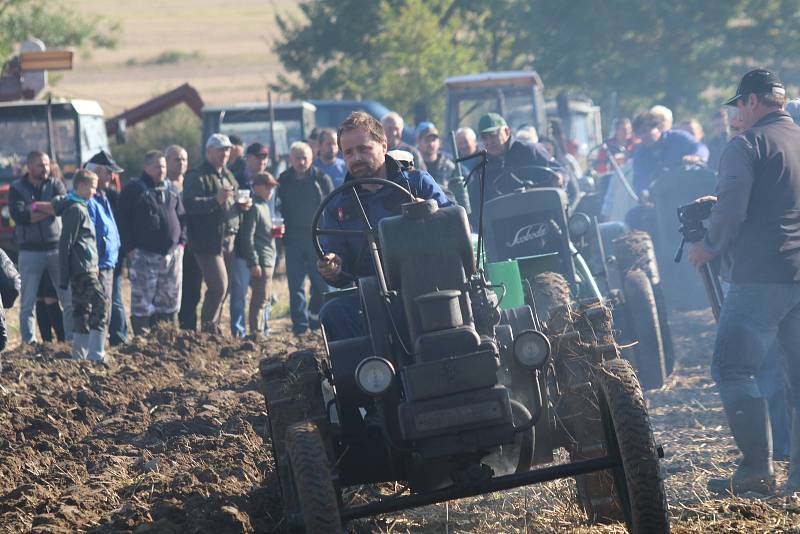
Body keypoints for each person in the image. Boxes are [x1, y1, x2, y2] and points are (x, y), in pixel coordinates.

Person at [686, 69, 800, 496]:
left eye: (739, 105)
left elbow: (732, 208)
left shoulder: (747, 143)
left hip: (760, 276)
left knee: (732, 367)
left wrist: (709, 246)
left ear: (753, 101)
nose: (736, 114)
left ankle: (756, 470)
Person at [317, 111, 451, 341]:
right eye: (348, 153)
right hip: (372, 295)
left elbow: (454, 222)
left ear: (384, 145)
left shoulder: (417, 183)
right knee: (333, 313)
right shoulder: (338, 205)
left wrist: (431, 213)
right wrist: (333, 266)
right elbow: (337, 263)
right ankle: (372, 372)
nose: (356, 158)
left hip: (428, 287)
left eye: (363, 149)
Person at [184, 134, 249, 334]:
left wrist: (242, 206)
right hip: (208, 242)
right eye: (220, 149)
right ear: (209, 151)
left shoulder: (228, 175)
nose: (225, 154)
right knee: (219, 286)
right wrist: (215, 199)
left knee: (225, 289)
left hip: (229, 240)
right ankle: (207, 332)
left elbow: (235, 200)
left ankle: (214, 329)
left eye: (227, 150)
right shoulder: (197, 175)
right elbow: (190, 205)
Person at [117, 150, 186, 334]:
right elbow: (122, 221)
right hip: (144, 256)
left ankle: (166, 338)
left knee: (169, 301)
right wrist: (130, 249)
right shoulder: (133, 190)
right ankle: (142, 341)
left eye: (163, 166)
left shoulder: (171, 189)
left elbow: (182, 216)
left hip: (171, 256)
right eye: (157, 166)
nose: (161, 170)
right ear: (146, 167)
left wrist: (181, 244)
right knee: (143, 303)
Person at [9, 150, 72, 343]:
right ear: (29, 167)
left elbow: (63, 207)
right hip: (30, 251)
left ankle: (70, 340)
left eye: (46, 164)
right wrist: (50, 209)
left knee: (67, 299)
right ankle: (29, 343)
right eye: (40, 165)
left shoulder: (56, 184)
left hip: (56, 249)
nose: (45, 168)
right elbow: (20, 216)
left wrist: (35, 207)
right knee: (28, 302)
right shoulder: (17, 188)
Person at [277, 141, 334, 335]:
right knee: (296, 285)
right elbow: (277, 207)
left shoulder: (321, 178)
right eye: (297, 158)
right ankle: (299, 326)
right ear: (291, 159)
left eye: (305, 158)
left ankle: (324, 322)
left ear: (311, 159)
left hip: (316, 238)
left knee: (321, 283)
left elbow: (331, 207)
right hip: (293, 239)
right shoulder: (283, 180)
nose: (301, 162)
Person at [57, 169, 106, 361]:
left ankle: (80, 355)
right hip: (81, 269)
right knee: (100, 302)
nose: (94, 191)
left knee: (82, 309)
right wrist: (64, 276)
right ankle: (96, 354)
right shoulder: (76, 210)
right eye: (92, 187)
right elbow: (65, 243)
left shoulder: (82, 207)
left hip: (87, 267)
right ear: (82, 186)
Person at [85, 150, 128, 346]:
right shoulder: (89, 200)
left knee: (107, 308)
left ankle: (100, 349)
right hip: (99, 263)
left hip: (109, 261)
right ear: (98, 171)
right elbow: (90, 235)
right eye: (109, 173)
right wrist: (95, 262)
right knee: (99, 310)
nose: (113, 177)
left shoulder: (104, 195)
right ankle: (95, 351)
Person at [477, 112, 561, 206]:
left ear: (506, 132)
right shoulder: (483, 166)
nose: (489, 142)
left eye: (493, 135)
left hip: (539, 212)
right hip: (503, 216)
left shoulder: (530, 150)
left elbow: (558, 171)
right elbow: (477, 200)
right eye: (484, 138)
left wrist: (559, 178)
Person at [239, 171, 279, 336]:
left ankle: (261, 331)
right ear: (256, 187)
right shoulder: (254, 206)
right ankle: (256, 333)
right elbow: (247, 236)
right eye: (267, 187)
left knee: (265, 299)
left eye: (272, 187)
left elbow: (260, 233)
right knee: (259, 300)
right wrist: (254, 262)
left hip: (268, 257)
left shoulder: (264, 205)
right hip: (261, 259)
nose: (271, 190)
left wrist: (272, 232)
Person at [416, 122, 456, 187]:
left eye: (434, 140)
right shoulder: (414, 165)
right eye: (427, 140)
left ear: (439, 142)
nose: (431, 144)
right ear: (419, 141)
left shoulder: (448, 167)